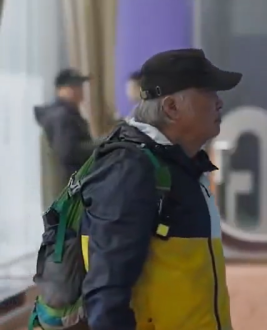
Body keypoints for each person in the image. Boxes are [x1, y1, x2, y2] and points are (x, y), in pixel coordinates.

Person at [79, 48, 240, 330]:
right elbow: (106, 289)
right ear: (171, 107)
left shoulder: (177, 165)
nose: (219, 102)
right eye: (208, 91)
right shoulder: (130, 170)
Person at [34, 68, 94, 191]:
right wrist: (103, 145)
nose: (79, 90)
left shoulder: (66, 113)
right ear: (61, 90)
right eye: (73, 86)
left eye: (80, 86)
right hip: (70, 185)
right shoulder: (62, 117)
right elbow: (69, 151)